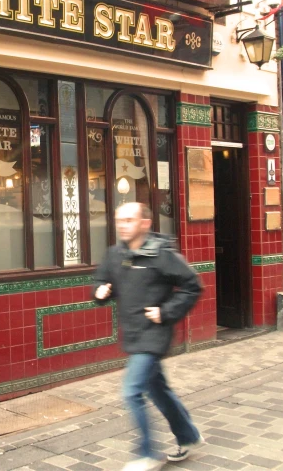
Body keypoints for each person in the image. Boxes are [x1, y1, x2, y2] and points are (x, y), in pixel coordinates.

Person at [93, 202, 203, 471]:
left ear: (145, 224)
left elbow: (193, 286)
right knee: (158, 390)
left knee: (132, 391)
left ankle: (146, 453)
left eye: (129, 220)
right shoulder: (115, 254)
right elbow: (101, 281)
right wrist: (100, 292)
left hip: (154, 334)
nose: (122, 225)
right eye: (119, 220)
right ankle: (188, 436)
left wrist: (165, 312)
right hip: (132, 333)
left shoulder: (161, 254)